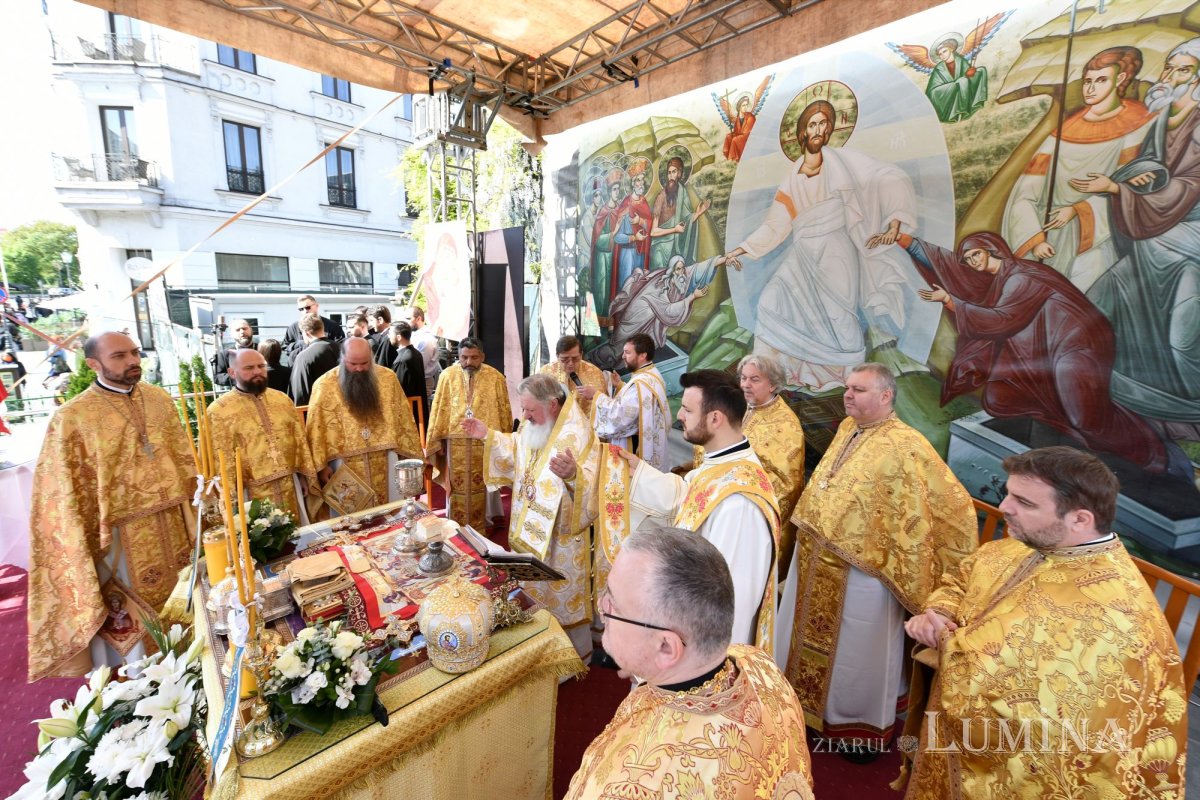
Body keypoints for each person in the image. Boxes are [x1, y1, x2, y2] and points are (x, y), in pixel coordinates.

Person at [901, 447, 1187, 798]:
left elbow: (1059, 734)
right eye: (1008, 493)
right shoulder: (1023, 545)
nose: (1005, 506)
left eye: (1025, 502)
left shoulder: (1120, 620)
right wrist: (941, 613)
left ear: (1080, 519)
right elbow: (963, 578)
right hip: (952, 736)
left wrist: (947, 643)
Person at [777, 363, 976, 755]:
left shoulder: (907, 445)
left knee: (857, 652)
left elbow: (952, 504)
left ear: (886, 396)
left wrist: (902, 551)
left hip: (863, 573)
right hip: (817, 559)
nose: (848, 395)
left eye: (859, 390)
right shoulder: (849, 428)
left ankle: (856, 730)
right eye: (848, 388)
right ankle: (796, 707)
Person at [895, 231, 1183, 476]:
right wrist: (906, 240)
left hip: (1076, 346)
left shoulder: (1020, 277)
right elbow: (948, 265)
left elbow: (1001, 319)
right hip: (1046, 348)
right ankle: (1090, 456)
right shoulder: (1000, 279)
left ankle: (1150, 453)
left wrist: (952, 302)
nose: (971, 263)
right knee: (1004, 398)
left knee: (1084, 416)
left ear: (991, 250)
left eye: (975, 256)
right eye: (968, 260)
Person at [564, 529, 814, 800]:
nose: (602, 607)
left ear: (666, 647)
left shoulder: (632, 786)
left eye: (614, 605)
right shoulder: (760, 665)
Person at [724, 99, 938, 390]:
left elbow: (887, 177)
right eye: (813, 124)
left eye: (824, 124)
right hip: (802, 254)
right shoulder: (792, 179)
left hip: (836, 251)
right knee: (771, 301)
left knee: (839, 316)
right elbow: (776, 224)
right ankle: (779, 374)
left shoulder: (843, 163)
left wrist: (895, 222)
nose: (819, 130)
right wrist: (741, 250)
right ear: (802, 133)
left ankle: (845, 379)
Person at [27, 332, 195, 681]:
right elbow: (64, 492)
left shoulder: (159, 399)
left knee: (188, 602)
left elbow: (183, 458)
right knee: (134, 623)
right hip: (119, 535)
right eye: (119, 356)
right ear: (93, 364)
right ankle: (139, 683)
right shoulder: (73, 417)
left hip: (173, 523)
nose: (133, 361)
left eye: (134, 353)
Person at [1071, 38, 1200, 437]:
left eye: (1183, 72)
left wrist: (1117, 190)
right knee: (1097, 307)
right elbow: (1150, 163)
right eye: (1169, 69)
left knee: (1183, 338)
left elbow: (1192, 184)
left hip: (1188, 238)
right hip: (1150, 234)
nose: (1171, 78)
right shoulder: (1162, 118)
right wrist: (1138, 178)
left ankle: (1187, 414)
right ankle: (1121, 408)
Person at [601, 369, 779, 649]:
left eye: (686, 409)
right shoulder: (721, 464)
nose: (679, 416)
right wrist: (641, 473)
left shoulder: (740, 504)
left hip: (701, 655)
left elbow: (731, 603)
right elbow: (690, 498)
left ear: (715, 418)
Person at [463, 374, 600, 657]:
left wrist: (574, 476)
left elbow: (596, 482)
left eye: (529, 410)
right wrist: (487, 435)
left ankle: (569, 654)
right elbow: (517, 447)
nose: (524, 417)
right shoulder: (536, 423)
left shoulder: (579, 433)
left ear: (552, 404)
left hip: (560, 540)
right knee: (530, 588)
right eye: (522, 409)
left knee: (558, 595)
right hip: (528, 529)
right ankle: (535, 642)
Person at [1002, 46, 1152, 292]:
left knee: (1088, 298)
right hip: (1050, 230)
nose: (1090, 89)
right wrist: (1035, 238)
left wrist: (1078, 210)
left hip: (1099, 233)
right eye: (1087, 81)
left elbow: (1135, 185)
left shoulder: (1139, 124)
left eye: (1101, 80)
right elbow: (1026, 192)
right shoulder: (1060, 134)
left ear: (1121, 79)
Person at [692, 354, 805, 579]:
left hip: (742, 516)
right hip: (713, 500)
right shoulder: (742, 407)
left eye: (754, 379)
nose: (745, 384)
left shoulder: (786, 425)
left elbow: (784, 486)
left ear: (773, 384)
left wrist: (731, 494)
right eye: (743, 378)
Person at [305, 337, 422, 509]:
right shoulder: (324, 385)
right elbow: (316, 430)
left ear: (372, 357)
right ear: (342, 358)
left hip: (387, 459)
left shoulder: (388, 379)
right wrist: (321, 467)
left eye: (365, 363)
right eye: (353, 364)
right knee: (349, 521)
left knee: (391, 512)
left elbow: (404, 420)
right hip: (342, 465)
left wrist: (407, 457)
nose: (359, 369)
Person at [206, 349, 318, 523]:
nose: (257, 371)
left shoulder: (282, 400)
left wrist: (303, 474)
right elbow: (219, 459)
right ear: (232, 372)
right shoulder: (219, 410)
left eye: (261, 366)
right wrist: (229, 498)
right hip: (250, 492)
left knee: (298, 538)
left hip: (290, 483)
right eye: (249, 367)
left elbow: (299, 441)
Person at [425, 337, 512, 529]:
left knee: (486, 481)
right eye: (464, 357)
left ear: (482, 356)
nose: (469, 362)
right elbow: (439, 408)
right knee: (457, 486)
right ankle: (456, 524)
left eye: (474, 357)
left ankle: (487, 521)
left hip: (485, 441)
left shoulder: (496, 377)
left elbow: (504, 410)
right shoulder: (447, 376)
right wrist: (437, 441)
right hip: (455, 442)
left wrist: (504, 441)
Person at [593, 254, 725, 369]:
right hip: (640, 314)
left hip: (651, 315)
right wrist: (692, 297)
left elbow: (698, 268)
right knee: (621, 344)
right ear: (672, 270)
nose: (681, 272)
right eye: (678, 269)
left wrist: (725, 259)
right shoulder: (661, 286)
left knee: (636, 345)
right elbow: (667, 310)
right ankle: (601, 358)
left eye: (682, 268)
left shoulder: (680, 277)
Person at [588, 334, 669, 471]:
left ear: (642, 355)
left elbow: (621, 416)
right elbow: (639, 403)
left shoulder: (641, 382)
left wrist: (596, 396)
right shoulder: (653, 374)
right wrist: (620, 385)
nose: (623, 356)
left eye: (627, 352)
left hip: (634, 447)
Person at [649, 156, 711, 271]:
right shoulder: (661, 197)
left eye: (674, 172)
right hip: (660, 251)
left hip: (674, 250)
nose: (671, 176)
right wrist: (674, 230)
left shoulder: (682, 193)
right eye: (669, 173)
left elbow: (685, 222)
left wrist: (697, 214)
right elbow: (653, 232)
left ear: (679, 174)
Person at [539, 335, 608, 418]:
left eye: (575, 359)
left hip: (585, 427)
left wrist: (595, 395)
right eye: (565, 360)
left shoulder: (595, 373)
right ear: (557, 356)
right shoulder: (545, 373)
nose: (570, 363)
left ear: (581, 354)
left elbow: (603, 408)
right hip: (554, 426)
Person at [924, 34, 989, 123]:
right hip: (945, 96)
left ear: (951, 49)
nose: (942, 55)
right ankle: (953, 112)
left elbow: (969, 78)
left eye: (944, 51)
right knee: (963, 81)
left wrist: (972, 73)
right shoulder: (938, 69)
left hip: (960, 91)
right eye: (940, 54)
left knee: (980, 70)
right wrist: (960, 82)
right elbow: (932, 92)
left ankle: (965, 108)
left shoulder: (961, 61)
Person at [590, 169, 626, 320]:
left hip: (615, 254)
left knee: (614, 288)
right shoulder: (603, 211)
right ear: (610, 191)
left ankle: (612, 321)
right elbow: (597, 239)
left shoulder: (620, 210)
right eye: (614, 189)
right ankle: (600, 323)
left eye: (619, 189)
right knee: (602, 288)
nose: (617, 192)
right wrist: (613, 233)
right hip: (602, 255)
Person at [288, 314, 340, 406]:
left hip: (320, 410)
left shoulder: (303, 357)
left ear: (306, 333)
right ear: (322, 328)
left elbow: (300, 393)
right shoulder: (343, 349)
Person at [281, 295, 344, 360]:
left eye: (307, 307)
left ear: (317, 306)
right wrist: (301, 344)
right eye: (301, 309)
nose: (305, 311)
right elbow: (285, 347)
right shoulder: (293, 327)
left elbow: (341, 346)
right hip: (302, 363)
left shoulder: (332, 325)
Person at [389, 321, 428, 424]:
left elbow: (399, 389)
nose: (389, 336)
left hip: (409, 411)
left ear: (398, 337)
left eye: (390, 333)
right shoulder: (416, 353)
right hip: (417, 409)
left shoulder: (403, 359)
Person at [401, 305, 442, 403]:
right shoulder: (415, 335)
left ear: (418, 318)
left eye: (408, 318)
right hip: (416, 380)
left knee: (420, 411)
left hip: (423, 381)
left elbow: (419, 364)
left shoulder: (426, 339)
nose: (405, 322)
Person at [211, 318, 256, 387]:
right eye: (237, 330)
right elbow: (218, 377)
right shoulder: (225, 354)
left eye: (244, 328)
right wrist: (239, 377)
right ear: (232, 334)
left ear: (251, 330)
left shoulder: (262, 349)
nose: (242, 332)